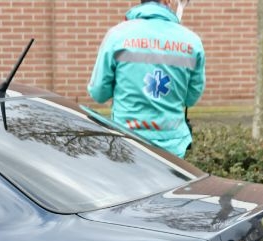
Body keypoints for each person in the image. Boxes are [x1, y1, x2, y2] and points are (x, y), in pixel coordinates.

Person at [87, 0, 205, 158]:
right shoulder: (192, 41)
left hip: (127, 142)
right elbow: (191, 99)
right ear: (167, 1)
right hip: (173, 149)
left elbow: (98, 93)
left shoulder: (117, 35)